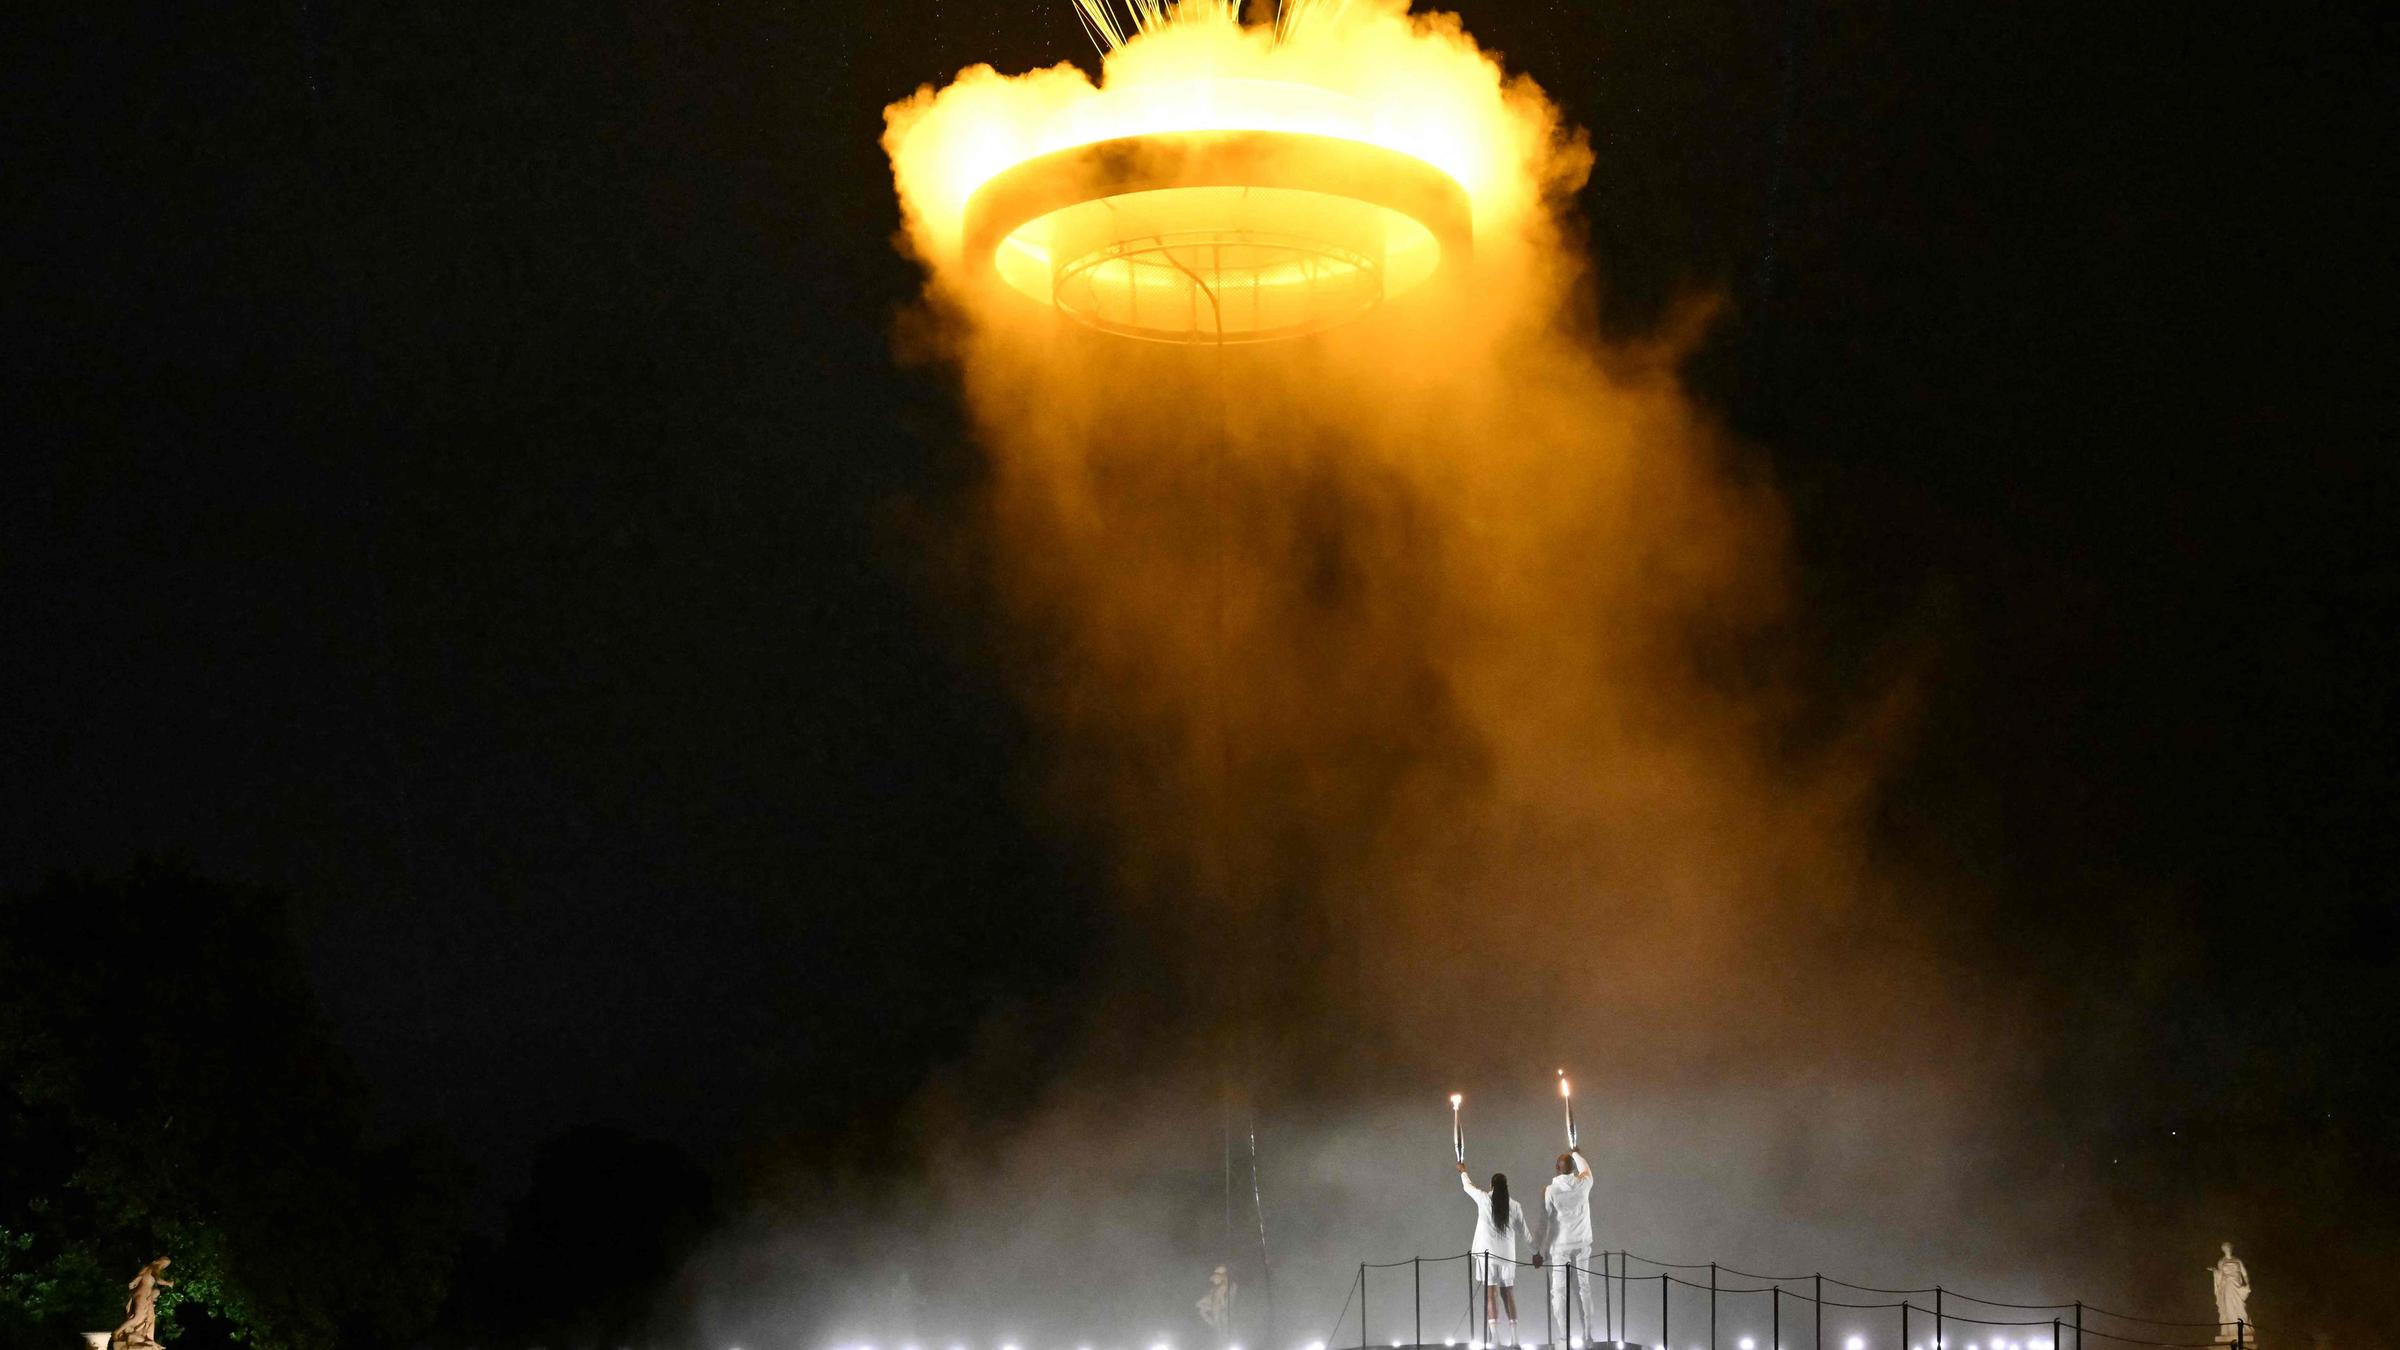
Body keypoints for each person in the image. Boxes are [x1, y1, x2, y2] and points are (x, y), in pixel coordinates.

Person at [1457, 1159, 1534, 1348]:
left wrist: (1463, 1171)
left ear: (1491, 1186)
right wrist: (1536, 1253)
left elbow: (1468, 1187)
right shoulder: (1514, 1205)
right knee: (1508, 1294)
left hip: (1488, 1255)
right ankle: (1515, 1340)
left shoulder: (1484, 1199)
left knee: (1490, 1294)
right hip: (1507, 1256)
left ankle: (1496, 1339)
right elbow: (1525, 1233)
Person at [1540, 1150, 1595, 1346]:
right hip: (1582, 1242)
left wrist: (1541, 1249)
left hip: (1560, 1245)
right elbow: (1586, 1168)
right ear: (1573, 1168)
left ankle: (1564, 1335)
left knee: (1559, 1291)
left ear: (1557, 1168)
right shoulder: (1584, 1183)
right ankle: (1588, 1334)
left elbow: (1547, 1219)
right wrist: (1576, 1153)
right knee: (1584, 1287)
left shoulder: (1551, 1190)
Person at [112, 1257, 173, 1350]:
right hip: (143, 1294)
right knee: (137, 1316)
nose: (164, 1267)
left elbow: (139, 1278)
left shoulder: (146, 1268)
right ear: (160, 1262)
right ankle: (117, 1332)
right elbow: (157, 1279)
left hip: (142, 1294)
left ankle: (141, 1337)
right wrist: (168, 1283)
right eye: (164, 1265)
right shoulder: (155, 1268)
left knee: (143, 1317)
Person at [2208, 1242, 2251, 1334]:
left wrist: (2248, 1284)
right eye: (2225, 1248)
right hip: (2227, 1285)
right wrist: (2215, 1271)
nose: (2227, 1249)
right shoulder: (2221, 1261)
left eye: (2228, 1247)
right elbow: (2220, 1275)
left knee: (2241, 1307)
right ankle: (2231, 1330)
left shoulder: (2237, 1260)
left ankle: (2242, 1329)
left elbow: (2245, 1274)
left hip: (2237, 1285)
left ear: (2231, 1248)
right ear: (2223, 1250)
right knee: (2229, 1307)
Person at [1196, 1264, 1237, 1347]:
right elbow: (1201, 1303)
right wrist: (1206, 1307)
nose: (1213, 1279)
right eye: (1214, 1277)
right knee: (1219, 1334)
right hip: (1217, 1315)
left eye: (1216, 1277)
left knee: (1223, 1335)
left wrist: (1219, 1307)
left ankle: (1225, 1342)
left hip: (1222, 1316)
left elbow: (1223, 1304)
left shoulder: (1224, 1287)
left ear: (1221, 1277)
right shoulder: (1214, 1290)